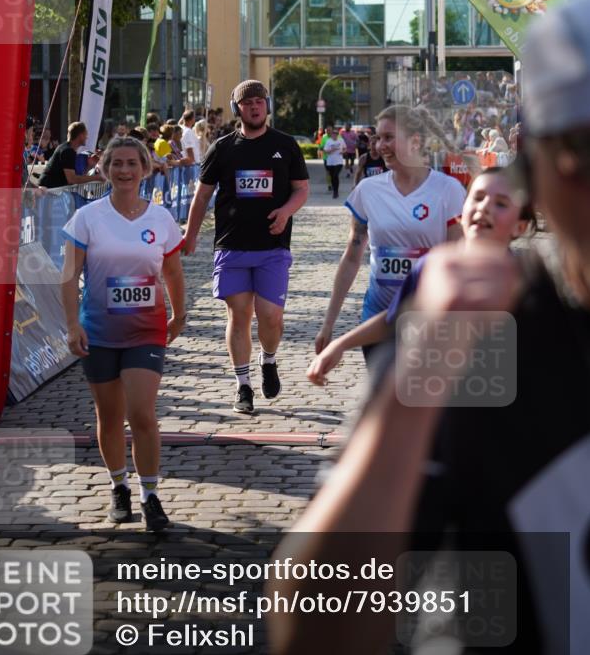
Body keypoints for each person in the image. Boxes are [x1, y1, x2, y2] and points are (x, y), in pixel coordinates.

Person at [271, 0, 590, 655]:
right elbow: (317, 648)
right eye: (581, 150)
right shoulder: (488, 327)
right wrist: (407, 391)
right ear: (534, 167)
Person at [308, 165, 535, 385]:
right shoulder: (432, 267)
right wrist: (340, 344)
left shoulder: (532, 283)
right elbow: (396, 318)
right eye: (478, 197)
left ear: (520, 227)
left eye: (501, 204)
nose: (485, 207)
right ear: (461, 211)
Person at [60, 136, 186, 531]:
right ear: (104, 168)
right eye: (117, 163)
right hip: (98, 329)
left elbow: (173, 272)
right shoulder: (87, 218)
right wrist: (71, 324)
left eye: (133, 163)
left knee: (142, 414)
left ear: (146, 168)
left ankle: (150, 495)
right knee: (110, 417)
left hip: (146, 330)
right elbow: (68, 275)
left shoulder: (161, 219)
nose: (125, 170)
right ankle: (119, 486)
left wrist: (180, 313)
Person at [183, 79, 309, 414]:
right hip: (231, 245)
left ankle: (268, 360)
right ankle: (243, 386)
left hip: (272, 246)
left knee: (270, 317)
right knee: (239, 316)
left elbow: (301, 189)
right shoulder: (222, 148)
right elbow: (202, 196)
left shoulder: (285, 144)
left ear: (267, 105)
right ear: (237, 107)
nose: (254, 107)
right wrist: (191, 234)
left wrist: (285, 211)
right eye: (246, 102)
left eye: (259, 101)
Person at [315, 104, 466, 363]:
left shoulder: (448, 190)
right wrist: (328, 323)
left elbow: (458, 260)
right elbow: (352, 256)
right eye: (377, 138)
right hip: (377, 318)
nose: (379, 146)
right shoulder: (368, 190)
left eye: (388, 137)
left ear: (415, 141)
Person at [38, 121, 100, 188]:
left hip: (53, 189)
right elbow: (72, 180)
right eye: (85, 134)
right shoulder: (67, 151)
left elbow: (75, 178)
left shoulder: (67, 149)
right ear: (80, 135)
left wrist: (89, 166)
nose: (87, 137)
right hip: (49, 191)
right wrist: (98, 178)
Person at [322, 126, 345, 199]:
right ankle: (334, 189)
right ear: (331, 135)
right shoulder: (328, 141)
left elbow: (345, 148)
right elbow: (325, 151)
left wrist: (343, 152)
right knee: (332, 177)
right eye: (333, 134)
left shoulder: (341, 140)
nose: (335, 135)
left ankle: (336, 192)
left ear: (338, 134)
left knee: (335, 175)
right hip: (330, 162)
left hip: (339, 162)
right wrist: (332, 149)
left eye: (336, 133)